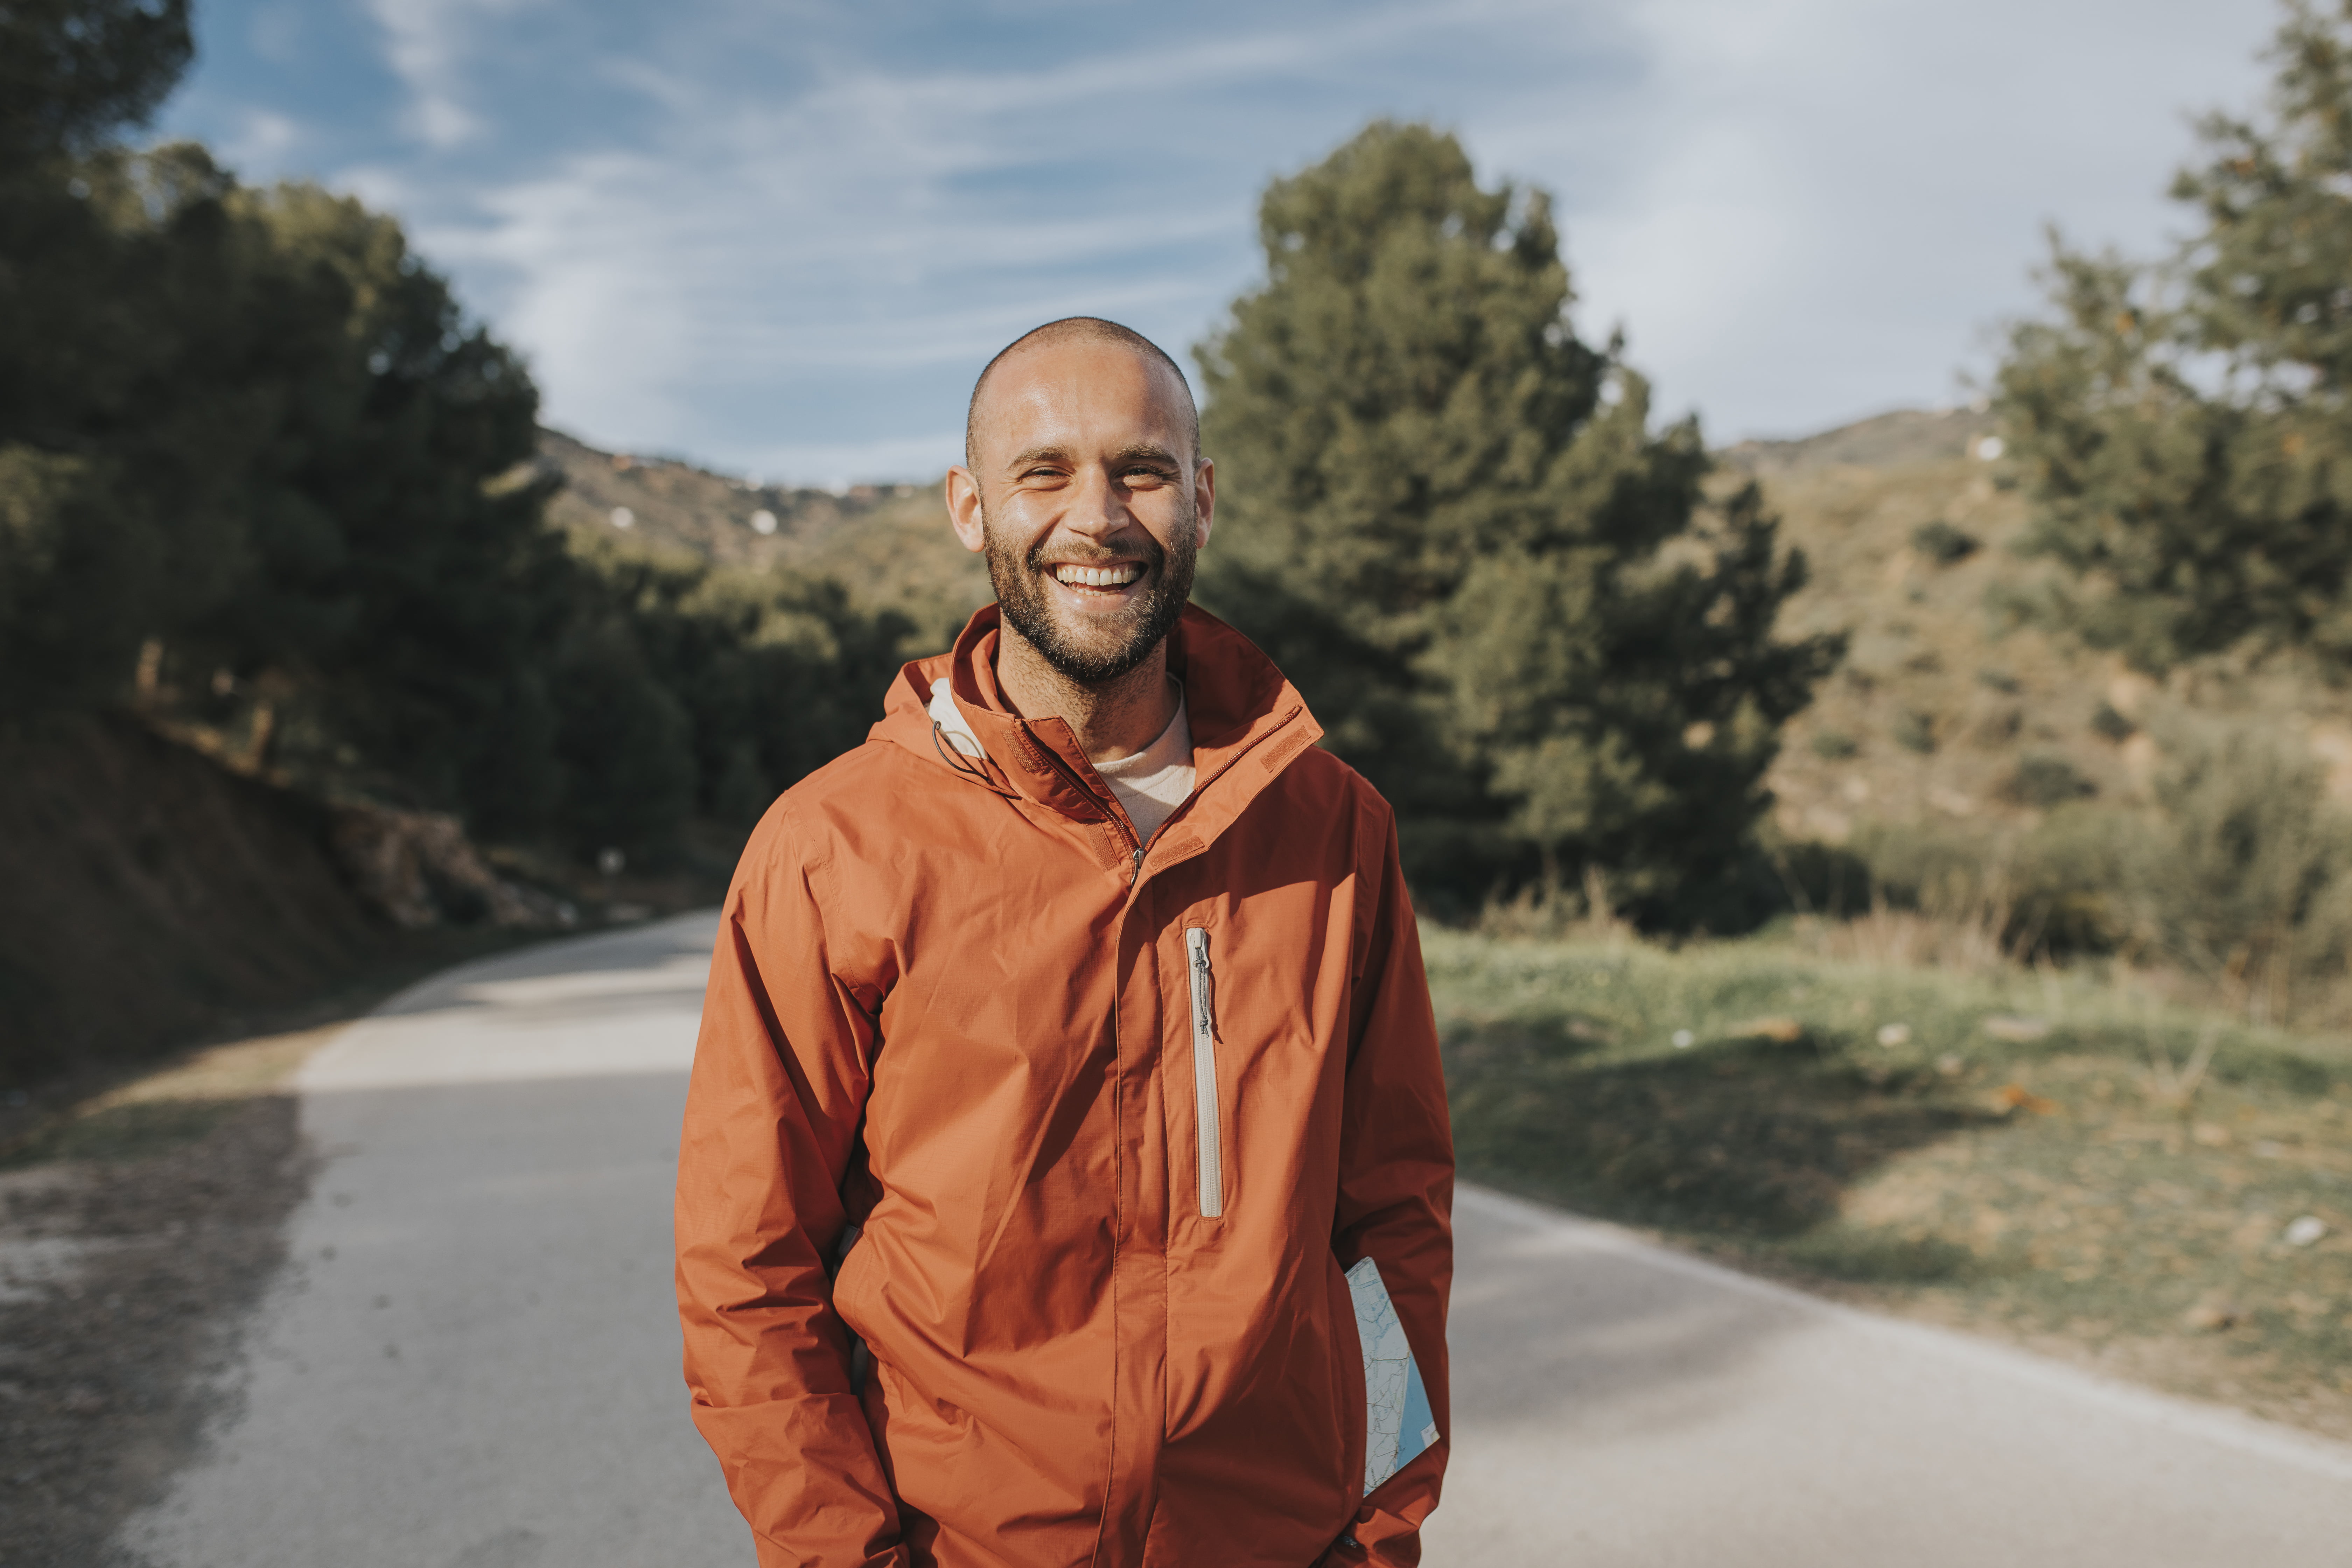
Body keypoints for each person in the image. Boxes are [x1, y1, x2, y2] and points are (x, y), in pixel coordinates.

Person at [675, 317, 1453, 1568]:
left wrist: (1379, 1531)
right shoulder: (833, 845)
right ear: (971, 509)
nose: (1097, 516)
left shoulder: (1334, 827)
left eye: (1140, 470)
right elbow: (747, 1268)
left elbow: (1392, 1226)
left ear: (1199, 499)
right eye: (1045, 473)